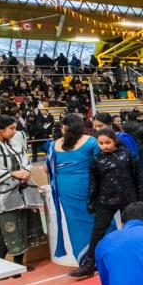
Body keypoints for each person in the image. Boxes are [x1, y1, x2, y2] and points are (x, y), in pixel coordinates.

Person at [0, 113, 45, 267]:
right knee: (7, 228)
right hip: (1, 194)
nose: (15, 132)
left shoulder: (15, 144)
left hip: (22, 191)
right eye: (11, 128)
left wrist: (25, 173)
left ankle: (18, 264)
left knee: (23, 225)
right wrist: (12, 174)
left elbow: (26, 161)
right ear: (0, 129)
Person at [47, 113, 103, 276]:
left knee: (77, 223)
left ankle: (86, 262)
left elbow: (49, 168)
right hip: (85, 185)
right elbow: (101, 164)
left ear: (64, 128)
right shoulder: (91, 141)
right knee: (96, 220)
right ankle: (100, 258)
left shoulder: (54, 145)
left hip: (68, 187)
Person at [87, 129, 143, 267]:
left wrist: (141, 200)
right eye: (101, 143)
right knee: (97, 232)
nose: (104, 146)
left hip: (128, 199)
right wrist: (91, 202)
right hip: (105, 201)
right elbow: (93, 183)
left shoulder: (127, 155)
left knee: (134, 230)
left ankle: (140, 258)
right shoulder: (96, 160)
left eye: (108, 142)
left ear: (114, 141)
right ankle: (89, 263)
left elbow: (138, 178)